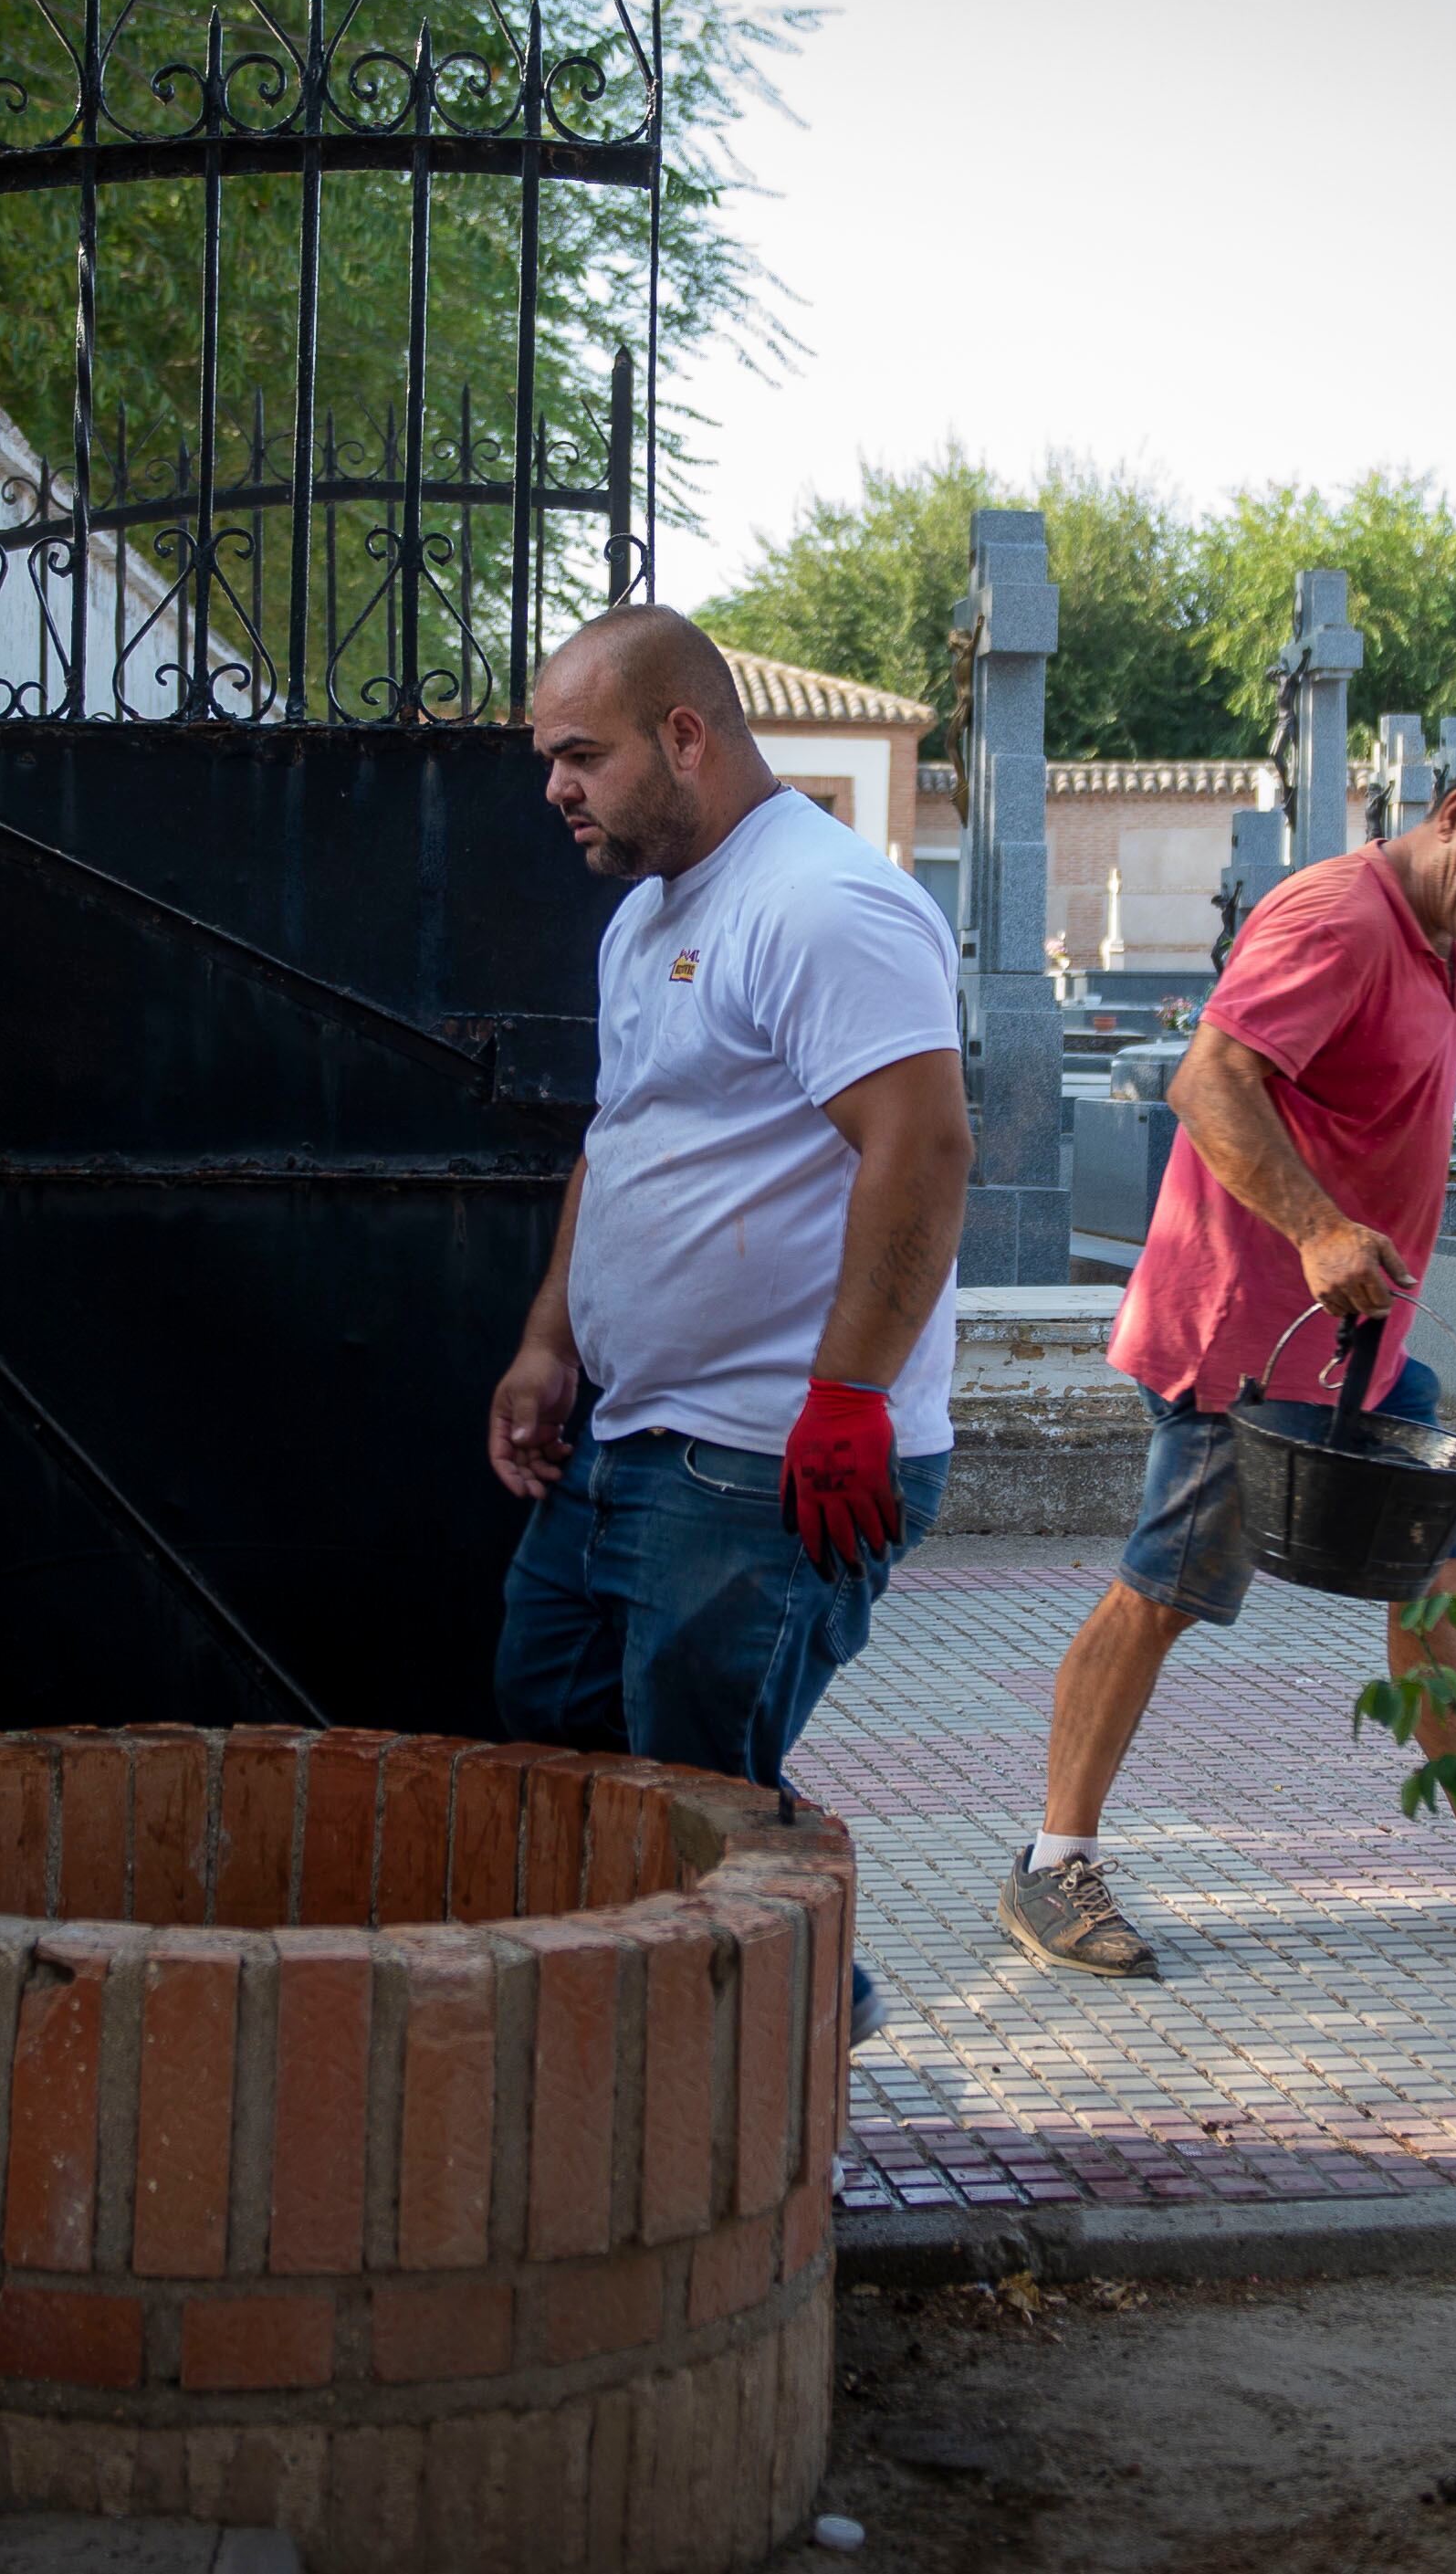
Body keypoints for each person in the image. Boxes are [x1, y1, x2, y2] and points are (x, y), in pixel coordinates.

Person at [997, 734, 1456, 1979]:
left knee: (1439, 1584)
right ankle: (1050, 1861)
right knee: (1163, 1592)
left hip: (1362, 1345)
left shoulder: (1441, 930)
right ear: (1450, 815)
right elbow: (1207, 1079)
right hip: (1250, 1340)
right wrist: (1318, 1225)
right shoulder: (1341, 914)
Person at [487, 606, 968, 2001]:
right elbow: (624, 1132)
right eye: (546, 758)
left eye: (580, 754)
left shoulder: (823, 902)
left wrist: (844, 1398)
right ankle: (758, 2012)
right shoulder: (644, 916)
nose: (552, 788)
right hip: (636, 1434)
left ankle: (791, 2040)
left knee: (703, 1798)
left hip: (768, 1456)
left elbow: (924, 1147)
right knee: (553, 1708)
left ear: (684, 736)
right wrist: (548, 1336)